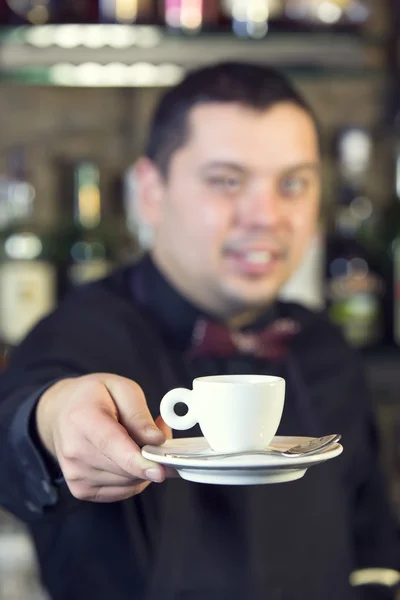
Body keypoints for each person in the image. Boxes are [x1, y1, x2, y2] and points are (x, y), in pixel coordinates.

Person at [0, 62, 399, 600]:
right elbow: (23, 422)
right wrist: (55, 421)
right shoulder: (80, 332)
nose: (266, 215)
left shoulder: (324, 345)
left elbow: (372, 545)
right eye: (227, 181)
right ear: (151, 191)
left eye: (293, 183)